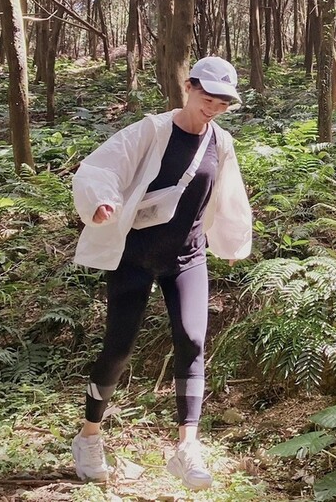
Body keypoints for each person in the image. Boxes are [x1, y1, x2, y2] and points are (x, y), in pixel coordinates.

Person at [69, 56, 252, 490]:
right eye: (208, 99)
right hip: (134, 256)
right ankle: (89, 435)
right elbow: (101, 167)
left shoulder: (220, 142)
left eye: (222, 104)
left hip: (187, 257)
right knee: (119, 348)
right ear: (189, 87)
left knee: (192, 339)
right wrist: (101, 200)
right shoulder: (152, 131)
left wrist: (230, 242)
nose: (213, 109)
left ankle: (187, 447)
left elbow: (228, 194)